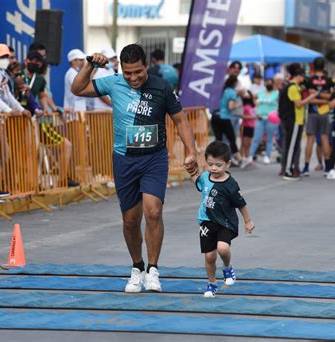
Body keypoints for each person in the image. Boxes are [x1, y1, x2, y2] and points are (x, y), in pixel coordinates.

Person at [71, 43, 198, 293]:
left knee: (153, 211)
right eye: (128, 73)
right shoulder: (113, 82)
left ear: (146, 66)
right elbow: (77, 88)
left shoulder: (162, 87)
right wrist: (90, 65)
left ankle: (153, 270)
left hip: (154, 158)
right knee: (130, 220)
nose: (133, 78)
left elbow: (180, 119)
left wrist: (192, 151)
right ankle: (137, 268)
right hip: (124, 159)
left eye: (138, 72)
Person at [192, 141, 254, 297]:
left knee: (223, 248)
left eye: (218, 165)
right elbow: (197, 182)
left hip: (225, 222)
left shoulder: (230, 184)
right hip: (206, 221)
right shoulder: (205, 177)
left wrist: (248, 221)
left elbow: (241, 204)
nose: (214, 168)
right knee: (209, 256)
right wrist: (191, 172)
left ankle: (227, 267)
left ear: (228, 164)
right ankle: (212, 283)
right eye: (210, 164)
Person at [280, 63, 317, 179]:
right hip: (294, 120)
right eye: (302, 76)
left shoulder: (295, 87)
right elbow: (299, 104)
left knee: (294, 145)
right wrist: (311, 97)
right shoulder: (292, 87)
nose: (303, 78)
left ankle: (290, 168)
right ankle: (287, 170)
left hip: (298, 120)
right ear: (298, 76)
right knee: (291, 145)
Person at [301, 57, 334, 176]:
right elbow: (330, 97)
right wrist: (323, 97)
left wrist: (315, 96)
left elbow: (309, 97)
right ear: (324, 66)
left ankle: (305, 168)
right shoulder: (329, 80)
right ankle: (327, 168)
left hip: (312, 112)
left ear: (313, 66)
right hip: (324, 112)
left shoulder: (309, 80)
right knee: (325, 138)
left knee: (310, 139)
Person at [213, 75, 242, 165]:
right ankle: (239, 159)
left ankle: (216, 159)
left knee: (218, 139)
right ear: (234, 84)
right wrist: (238, 105)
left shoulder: (220, 91)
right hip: (224, 117)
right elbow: (231, 106)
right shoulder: (232, 92)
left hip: (215, 116)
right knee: (232, 138)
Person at [250, 78, 279, 164]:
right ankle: (250, 156)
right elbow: (253, 98)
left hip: (271, 119)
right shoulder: (260, 93)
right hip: (260, 118)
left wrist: (276, 111)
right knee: (257, 138)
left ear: (273, 84)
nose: (268, 84)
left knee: (269, 138)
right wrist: (256, 109)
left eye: (270, 83)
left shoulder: (276, 93)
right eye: (267, 82)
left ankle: (267, 156)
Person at [239, 91, 256, 168]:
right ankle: (243, 159)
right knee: (244, 144)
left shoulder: (253, 106)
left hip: (252, 126)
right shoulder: (244, 106)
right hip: (245, 126)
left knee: (249, 144)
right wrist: (253, 117)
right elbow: (242, 116)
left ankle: (248, 159)